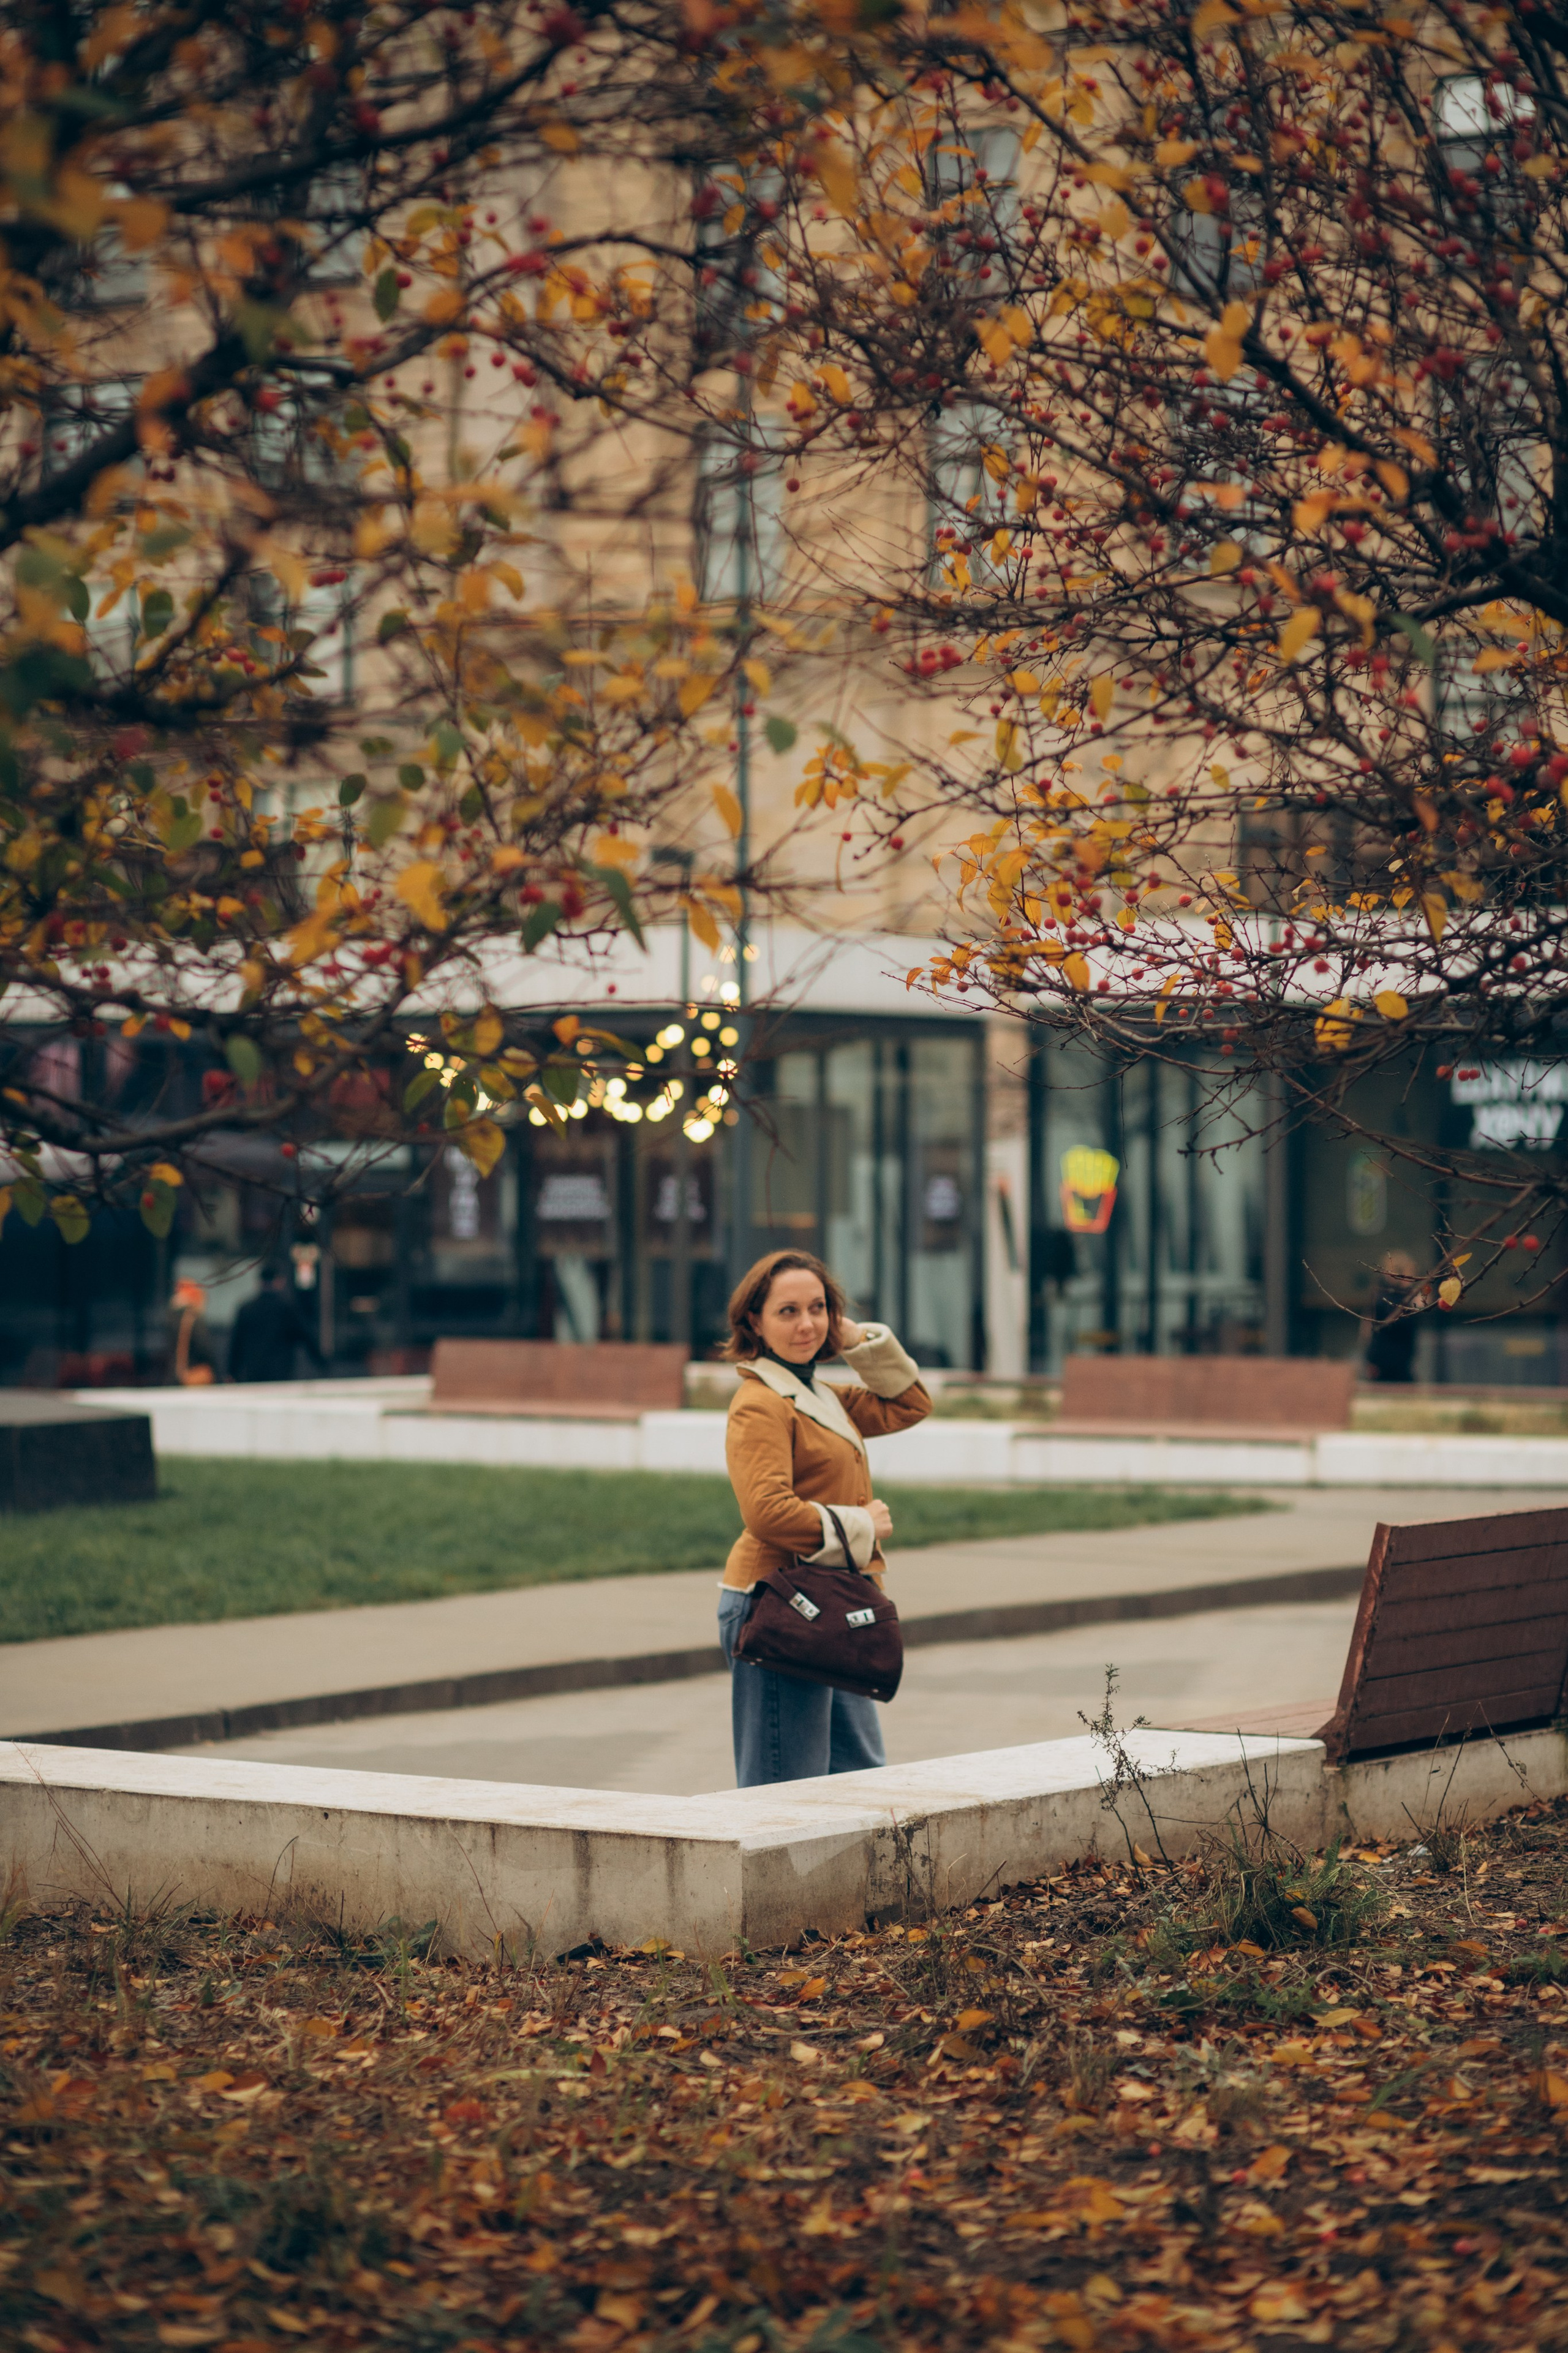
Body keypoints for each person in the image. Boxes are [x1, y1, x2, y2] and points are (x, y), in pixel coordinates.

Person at [717, 1248, 931, 1787]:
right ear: (754, 1322)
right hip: (778, 1606)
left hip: (831, 1607)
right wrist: (864, 1527)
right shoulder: (760, 1401)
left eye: (818, 1308)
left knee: (856, 1777)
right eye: (787, 1311)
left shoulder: (820, 1393)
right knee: (784, 1789)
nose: (807, 1323)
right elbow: (767, 1512)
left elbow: (910, 1403)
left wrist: (856, 1338)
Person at [227, 1261, 326, 1383]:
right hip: (281, 1372)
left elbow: (237, 1344)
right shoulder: (287, 1309)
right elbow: (306, 1336)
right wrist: (322, 1363)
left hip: (254, 1372)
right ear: (279, 1281)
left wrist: (232, 1372)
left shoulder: (247, 1309)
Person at [1363, 1248, 1421, 1384]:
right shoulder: (1384, 1298)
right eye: (1409, 1272)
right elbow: (1393, 1324)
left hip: (1402, 1358)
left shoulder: (1407, 1296)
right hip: (1386, 1360)